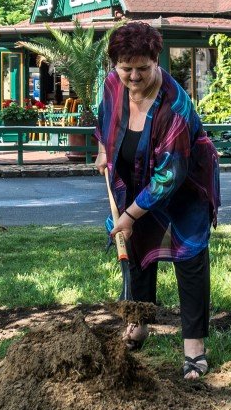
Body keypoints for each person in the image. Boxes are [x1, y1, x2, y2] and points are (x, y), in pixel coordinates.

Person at [94, 22, 221, 380]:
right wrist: (103, 148)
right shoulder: (111, 84)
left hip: (184, 183)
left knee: (189, 256)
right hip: (134, 175)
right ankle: (139, 322)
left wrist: (131, 214)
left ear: (156, 60)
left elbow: (169, 174)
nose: (133, 76)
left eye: (142, 68)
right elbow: (103, 117)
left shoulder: (175, 107)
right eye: (125, 67)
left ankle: (193, 347)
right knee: (136, 251)